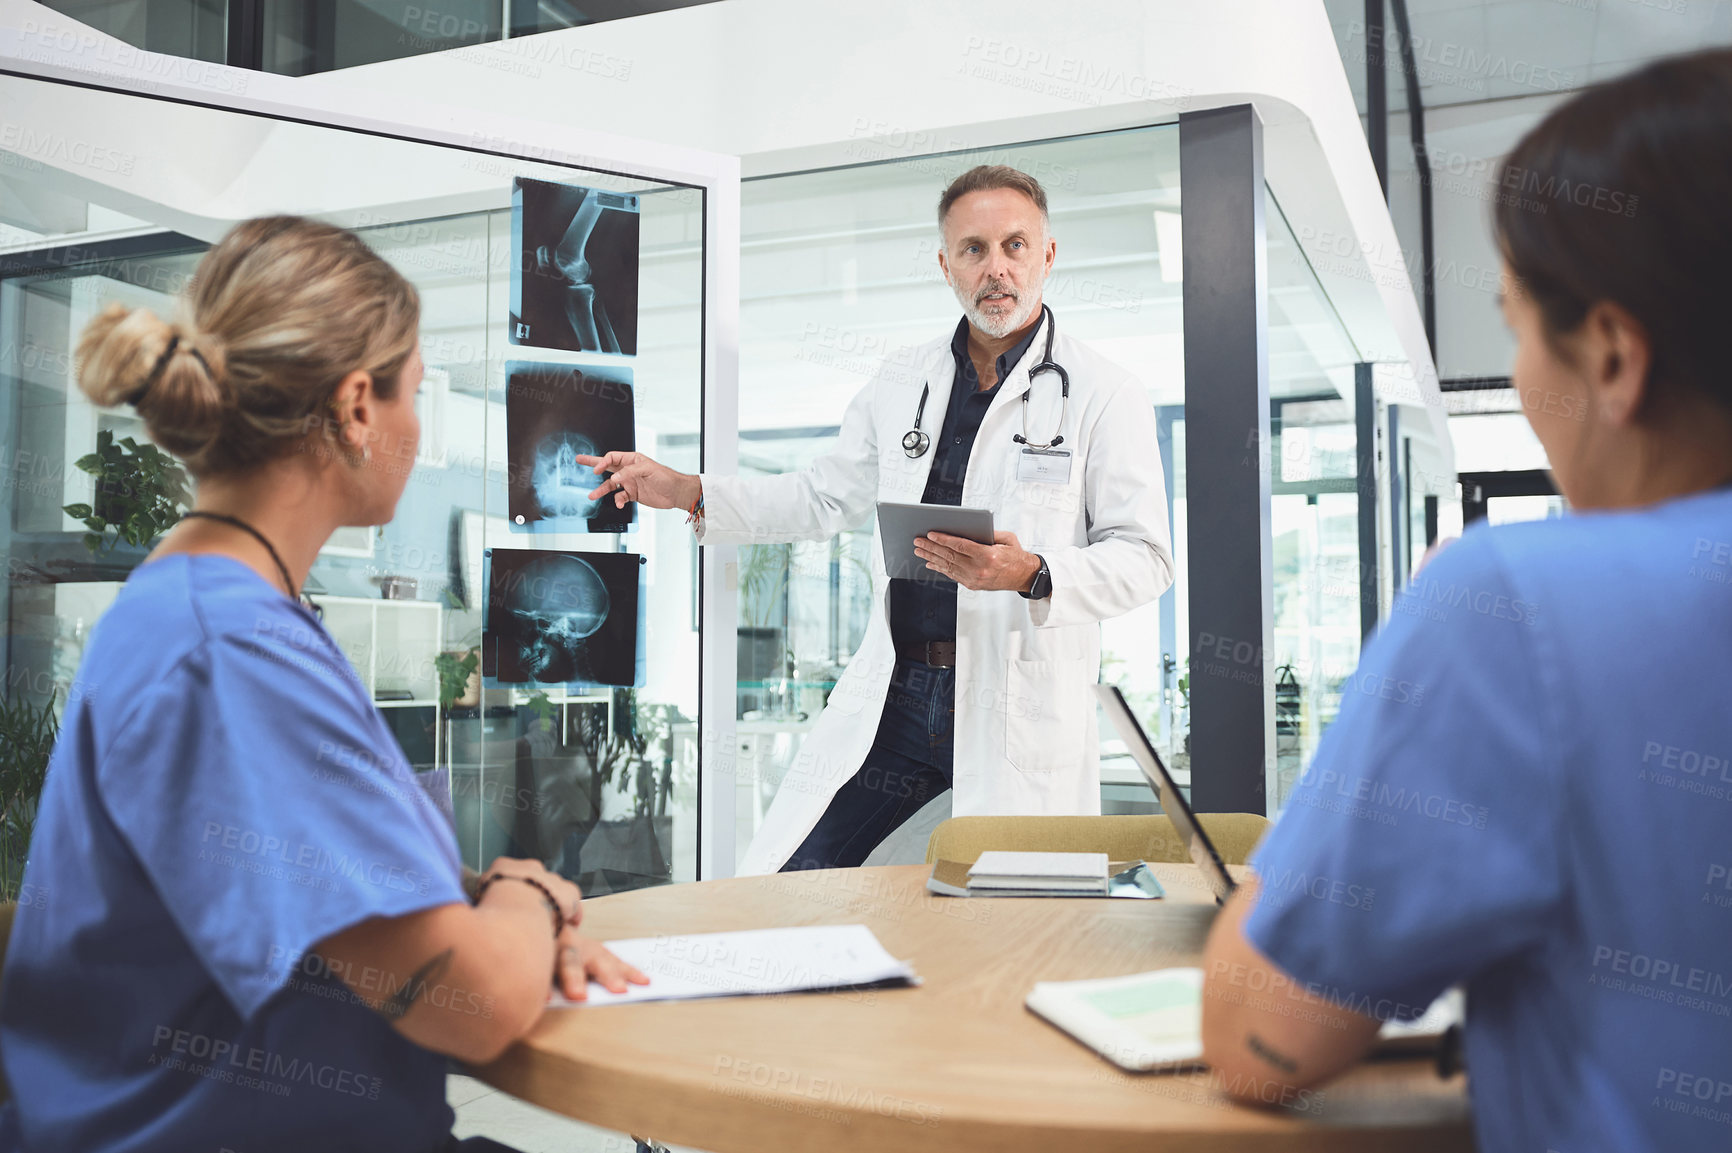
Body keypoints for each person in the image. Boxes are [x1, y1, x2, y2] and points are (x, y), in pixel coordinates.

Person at [0, 216, 646, 1153]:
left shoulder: (195, 604)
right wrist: (531, 901)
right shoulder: (230, 650)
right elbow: (468, 1006)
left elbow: (311, 876)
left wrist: (487, 907)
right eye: (415, 395)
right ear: (354, 407)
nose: (418, 432)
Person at [1199, 49, 1732, 1153]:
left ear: (1614, 353)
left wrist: (1339, 818)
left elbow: (1261, 1040)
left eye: (1518, 327)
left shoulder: (1524, 601)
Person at [580, 165, 1173, 873]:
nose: (996, 269)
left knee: (1016, 905)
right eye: (974, 249)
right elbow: (823, 496)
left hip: (1015, 700)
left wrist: (1032, 572)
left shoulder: (1104, 393)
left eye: (1015, 246)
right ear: (945, 264)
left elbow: (1146, 556)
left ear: (1047, 256)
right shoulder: (904, 380)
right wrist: (690, 490)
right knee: (793, 870)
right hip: (900, 693)